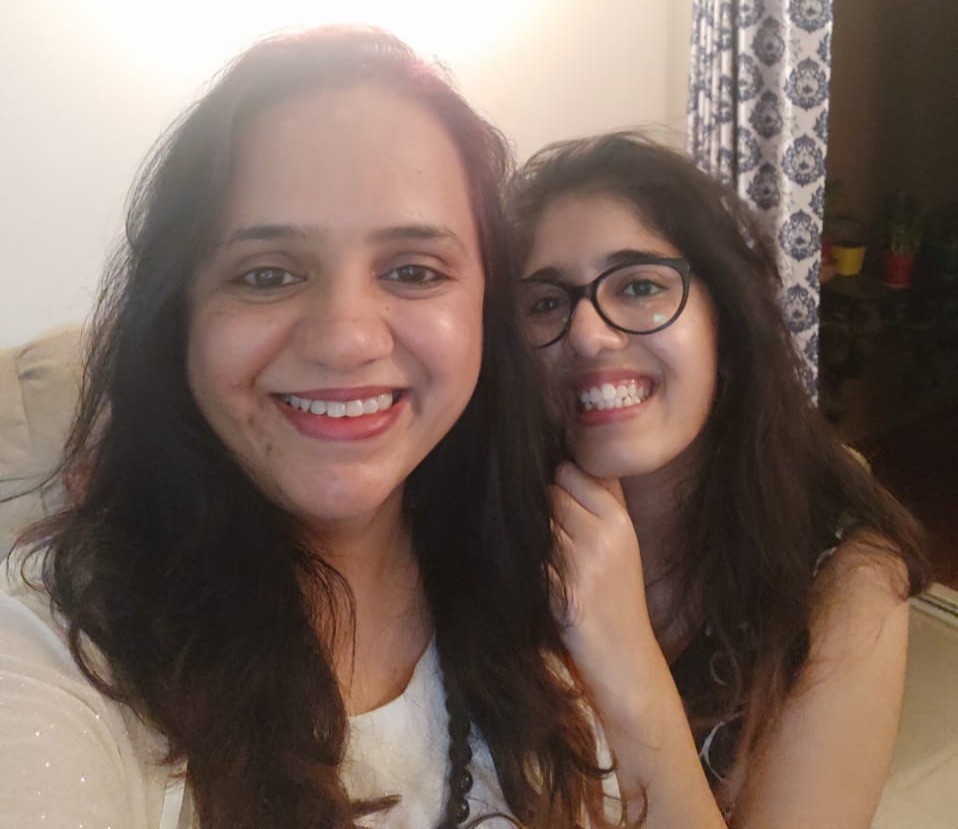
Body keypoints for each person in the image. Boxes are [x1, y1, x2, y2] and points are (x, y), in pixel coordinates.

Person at [0, 28, 613, 829]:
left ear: (484, 312)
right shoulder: (52, 650)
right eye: (267, 274)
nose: (345, 338)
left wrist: (629, 665)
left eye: (413, 271)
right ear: (179, 316)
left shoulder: (547, 591)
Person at [509, 131, 929, 828]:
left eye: (639, 286)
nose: (587, 334)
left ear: (725, 328)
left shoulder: (847, 575)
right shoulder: (497, 521)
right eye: (547, 303)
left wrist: (625, 657)